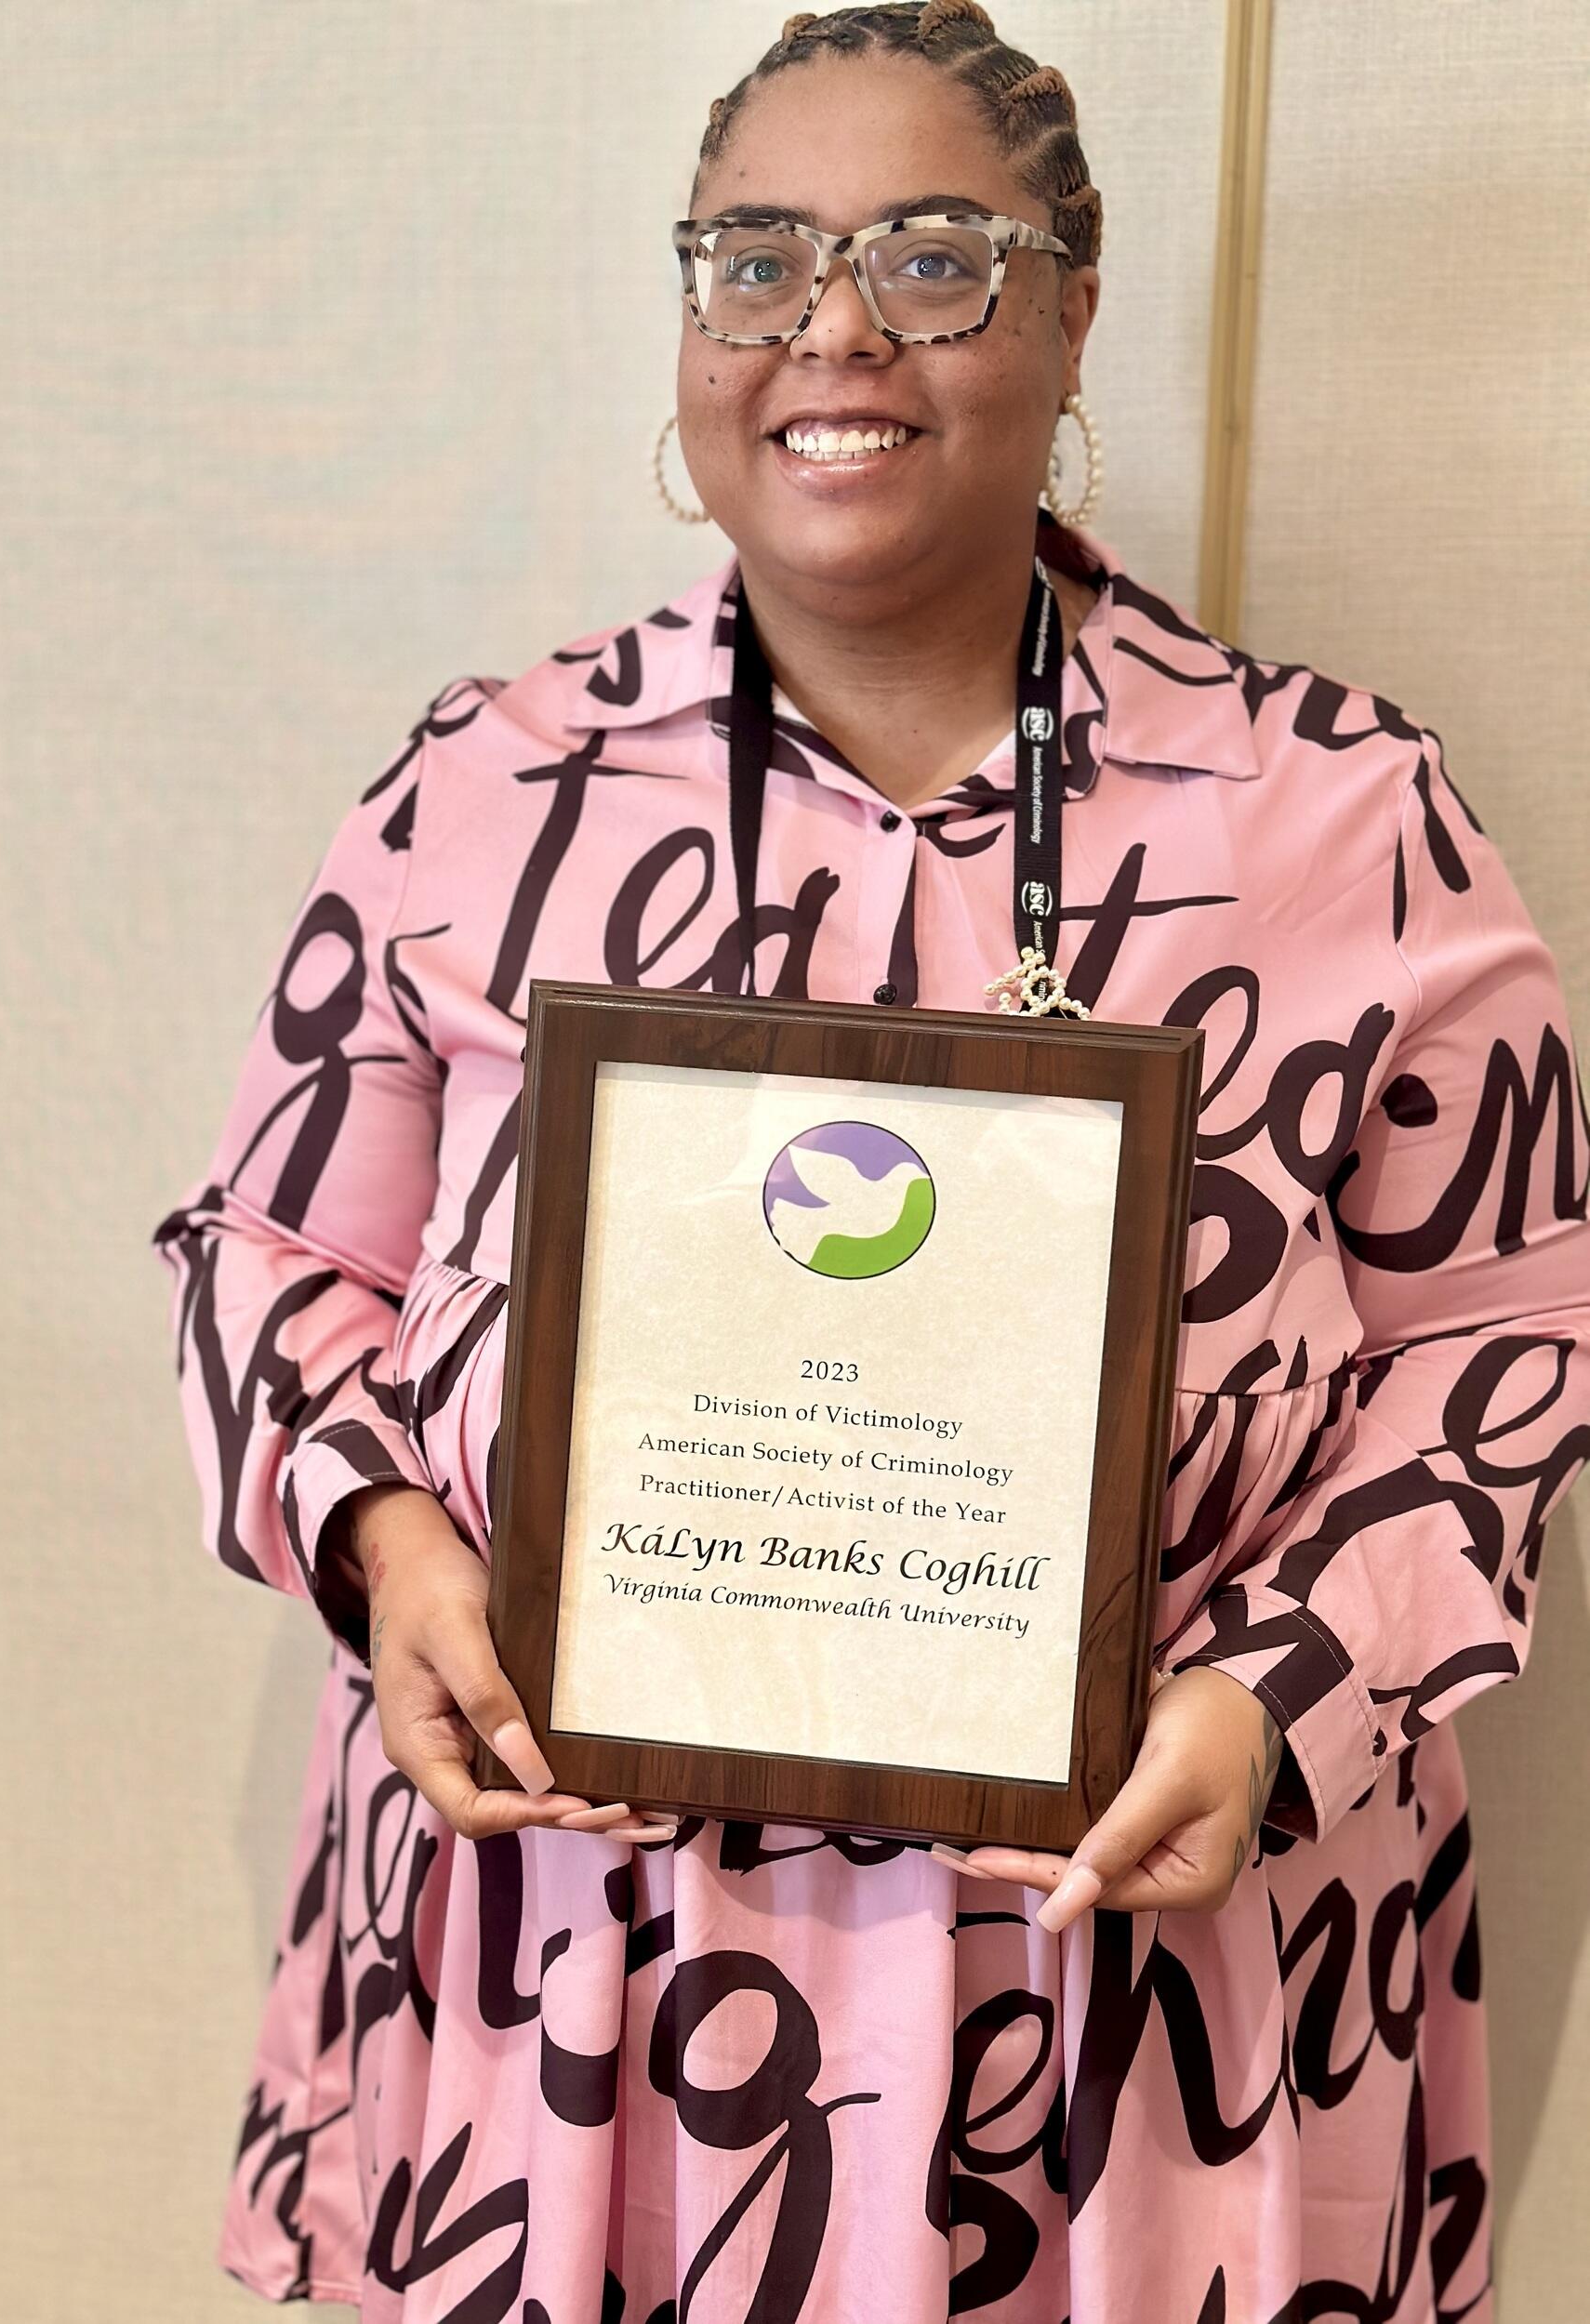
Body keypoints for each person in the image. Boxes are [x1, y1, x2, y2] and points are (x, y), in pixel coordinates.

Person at [150, 5, 1590, 2316]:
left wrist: (1279, 1697)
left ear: (1070, 309)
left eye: (929, 256)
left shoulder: (1340, 816)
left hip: (1136, 1985)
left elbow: (1506, 1332)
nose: (827, 327)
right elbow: (267, 1249)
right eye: (753, 259)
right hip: (580, 1972)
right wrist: (387, 1542)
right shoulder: (483, 788)